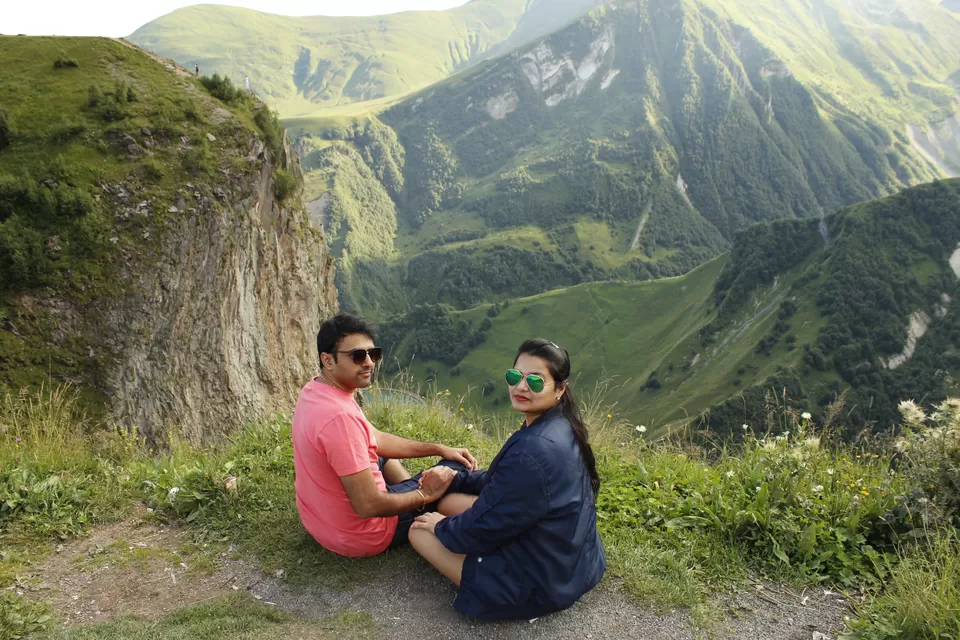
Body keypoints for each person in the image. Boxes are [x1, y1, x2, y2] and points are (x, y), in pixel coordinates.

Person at [409, 339, 606, 620]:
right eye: (515, 376)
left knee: (418, 531)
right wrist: (456, 478)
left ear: (560, 388)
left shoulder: (534, 449)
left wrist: (442, 527)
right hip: (572, 561)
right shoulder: (560, 426)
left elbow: (480, 528)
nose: (521, 387)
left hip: (541, 583)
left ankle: (511, 598)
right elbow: (500, 483)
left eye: (536, 382)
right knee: (450, 500)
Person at [292, 313, 479, 558]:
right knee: (454, 468)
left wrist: (439, 447)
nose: (369, 362)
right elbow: (368, 505)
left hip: (321, 521)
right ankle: (428, 506)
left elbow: (375, 439)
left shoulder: (317, 390)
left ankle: (417, 499)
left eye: (373, 353)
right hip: (364, 534)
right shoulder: (339, 418)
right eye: (358, 356)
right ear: (328, 360)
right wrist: (425, 493)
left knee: (386, 458)